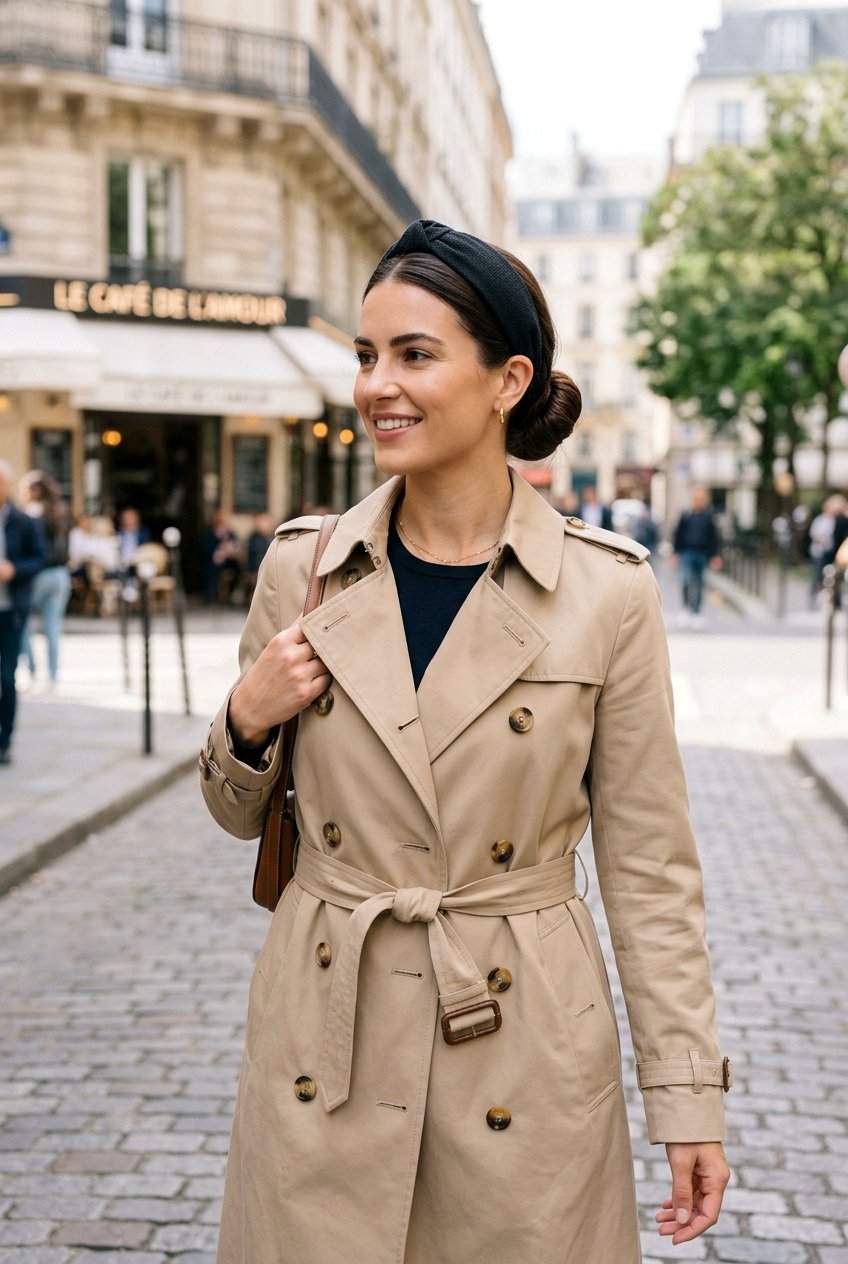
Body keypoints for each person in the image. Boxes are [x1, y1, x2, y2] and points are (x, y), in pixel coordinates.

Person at [200, 220, 731, 1264]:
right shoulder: (304, 569)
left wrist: (685, 1095)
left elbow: (649, 867)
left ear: (505, 380)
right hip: (329, 1027)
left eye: (413, 354)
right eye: (365, 355)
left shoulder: (605, 590)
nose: (375, 386)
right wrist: (247, 716)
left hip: (520, 1037)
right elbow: (235, 815)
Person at [0, 460, 47, 763]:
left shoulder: (23, 521)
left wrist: (14, 569)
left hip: (10, 611)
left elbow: (41, 558)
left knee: (6, 676)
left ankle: (4, 740)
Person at [18, 470, 72, 689]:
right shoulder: (60, 512)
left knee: (22, 624)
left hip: (39, 575)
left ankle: (32, 671)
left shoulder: (31, 513)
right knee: (52, 628)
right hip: (61, 574)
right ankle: (52, 676)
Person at [672, 486, 723, 627]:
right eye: (696, 498)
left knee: (700, 583)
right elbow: (677, 535)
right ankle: (686, 608)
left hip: (702, 554)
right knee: (686, 581)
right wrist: (675, 553)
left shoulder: (708, 516)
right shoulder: (686, 515)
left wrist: (715, 556)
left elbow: (714, 538)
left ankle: (697, 612)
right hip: (687, 552)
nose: (698, 501)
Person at [200, 508, 242, 604]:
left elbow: (236, 546)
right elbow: (205, 549)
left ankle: (232, 595)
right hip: (212, 561)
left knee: (238, 569)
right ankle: (212, 596)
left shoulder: (230, 533)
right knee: (211, 570)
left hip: (228, 561)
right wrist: (218, 552)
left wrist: (229, 551)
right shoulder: (210, 534)